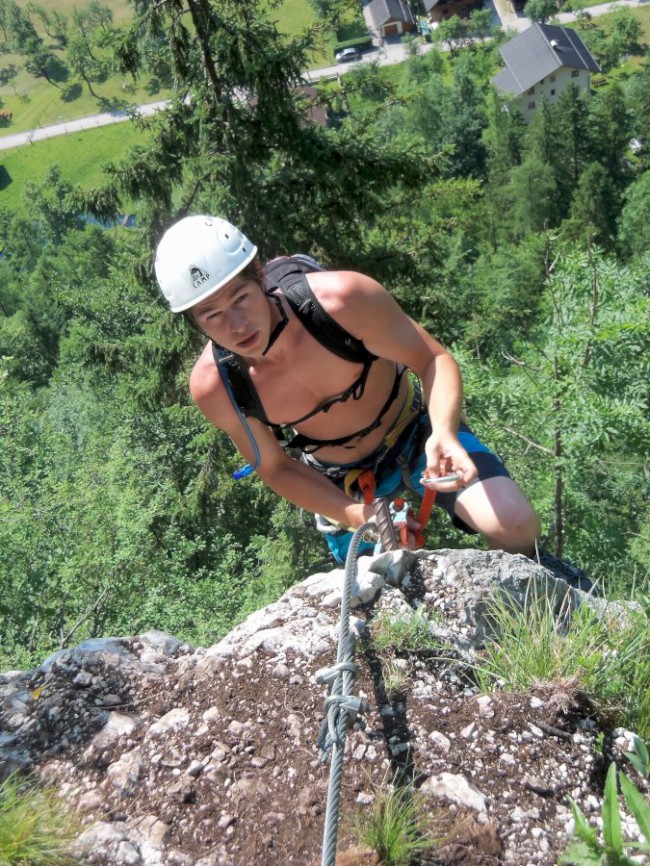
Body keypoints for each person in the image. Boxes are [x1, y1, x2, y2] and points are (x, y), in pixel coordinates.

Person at [155, 215, 541, 564]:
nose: (237, 325)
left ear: (260, 277)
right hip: (339, 479)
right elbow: (274, 467)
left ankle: (535, 609)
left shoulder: (342, 301)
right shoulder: (216, 386)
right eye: (213, 315)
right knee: (376, 589)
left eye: (241, 299)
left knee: (515, 524)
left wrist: (443, 431)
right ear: (194, 323)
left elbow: (432, 359)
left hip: (417, 430)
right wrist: (353, 514)